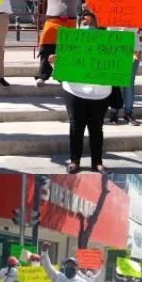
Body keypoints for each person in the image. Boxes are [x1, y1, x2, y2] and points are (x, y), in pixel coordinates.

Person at [48, 10, 111, 174]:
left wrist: (133, 56)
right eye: (84, 23)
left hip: (100, 93)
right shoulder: (71, 43)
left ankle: (97, 162)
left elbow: (117, 63)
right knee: (76, 126)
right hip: (75, 91)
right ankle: (74, 160)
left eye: (91, 23)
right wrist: (55, 62)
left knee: (97, 128)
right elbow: (62, 71)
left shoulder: (107, 43)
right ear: (77, 25)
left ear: (97, 25)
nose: (88, 26)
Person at [35, 0, 88, 86]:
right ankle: (42, 76)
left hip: (70, 23)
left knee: (66, 51)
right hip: (52, 22)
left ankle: (63, 75)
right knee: (46, 50)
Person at [107, 27, 142, 126]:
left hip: (134, 49)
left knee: (129, 83)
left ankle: (128, 113)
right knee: (115, 81)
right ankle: (114, 112)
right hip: (114, 48)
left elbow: (140, 27)